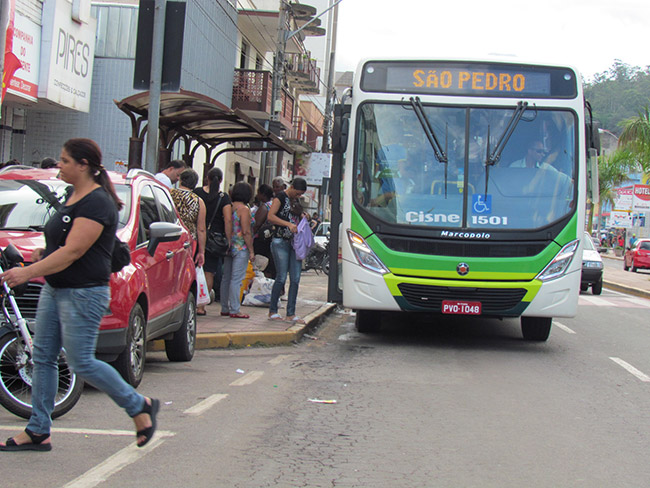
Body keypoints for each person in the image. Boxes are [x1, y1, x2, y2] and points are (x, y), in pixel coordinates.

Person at [0, 138, 158, 452]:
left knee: (82, 362)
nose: (59, 165)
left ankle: (138, 405)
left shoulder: (98, 202)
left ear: (83, 165)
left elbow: (75, 250)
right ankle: (38, 430)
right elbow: (66, 244)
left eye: (65, 160)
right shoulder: (73, 195)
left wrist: (27, 273)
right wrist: (45, 253)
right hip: (56, 289)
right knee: (42, 358)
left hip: (83, 293)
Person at [266, 177, 308, 323]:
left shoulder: (295, 201)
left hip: (294, 243)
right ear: (292, 188)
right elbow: (270, 217)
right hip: (280, 241)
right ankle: (273, 311)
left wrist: (303, 216)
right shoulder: (280, 197)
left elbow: (296, 215)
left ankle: (291, 313)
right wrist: (287, 224)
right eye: (297, 193)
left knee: (295, 278)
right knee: (282, 277)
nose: (298, 196)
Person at [194, 167, 232, 311]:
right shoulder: (224, 198)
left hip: (196, 235)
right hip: (214, 240)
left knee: (193, 269)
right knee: (209, 271)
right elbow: (228, 220)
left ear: (207, 178)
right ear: (221, 180)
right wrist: (228, 240)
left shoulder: (197, 193)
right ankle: (201, 306)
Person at [170, 169, 207, 311]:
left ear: (180, 180)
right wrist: (201, 251)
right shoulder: (198, 201)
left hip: (167, 238)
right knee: (184, 273)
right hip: (188, 242)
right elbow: (201, 228)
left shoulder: (168, 194)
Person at [221, 182, 255, 319]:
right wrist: (251, 250)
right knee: (236, 279)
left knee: (226, 278)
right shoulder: (244, 209)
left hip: (228, 246)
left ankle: (224, 307)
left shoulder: (228, 207)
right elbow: (246, 231)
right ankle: (235, 309)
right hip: (241, 247)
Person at [252, 184, 275, 277]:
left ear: (263, 195)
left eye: (259, 193)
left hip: (261, 241)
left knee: (260, 265)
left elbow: (256, 224)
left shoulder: (265, 207)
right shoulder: (275, 204)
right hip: (271, 239)